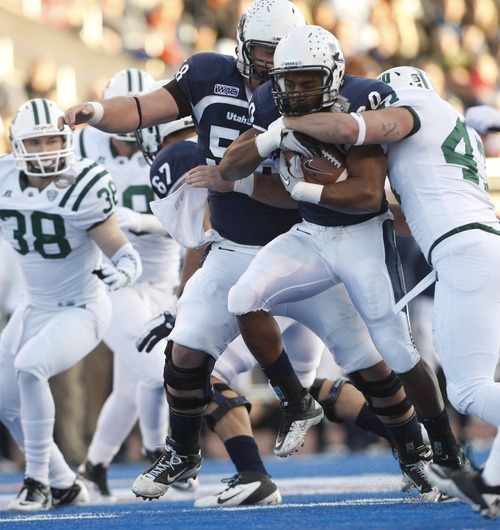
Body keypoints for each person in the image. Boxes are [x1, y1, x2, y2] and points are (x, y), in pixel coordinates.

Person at [59, 0, 434, 502]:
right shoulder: (210, 73)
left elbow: (307, 186)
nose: (269, 63)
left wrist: (234, 183)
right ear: (241, 45)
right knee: (186, 346)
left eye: (281, 53)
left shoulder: (309, 94)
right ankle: (183, 451)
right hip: (234, 246)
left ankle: (418, 455)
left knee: (367, 361)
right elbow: (149, 106)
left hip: (303, 246)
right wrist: (100, 113)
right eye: (262, 50)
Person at [219, 25, 467, 497]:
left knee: (397, 352)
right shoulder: (273, 102)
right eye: (288, 81)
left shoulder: (365, 98)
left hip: (363, 237)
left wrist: (305, 188)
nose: (295, 92)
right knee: (243, 296)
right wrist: (269, 140)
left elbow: (366, 193)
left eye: (307, 81)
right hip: (311, 234)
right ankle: (295, 399)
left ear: (332, 76)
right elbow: (231, 168)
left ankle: (443, 448)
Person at [271, 67, 500, 519]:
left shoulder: (418, 107)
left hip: (465, 254)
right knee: (476, 385)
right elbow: (413, 212)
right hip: (477, 245)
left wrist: (286, 124)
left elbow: (349, 127)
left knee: (469, 391)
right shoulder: (449, 131)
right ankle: (492, 484)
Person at [135, 130, 396, 507]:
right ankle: (419, 447)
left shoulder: (211, 162)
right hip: (307, 274)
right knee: (319, 383)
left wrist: (178, 308)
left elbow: (207, 240)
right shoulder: (258, 140)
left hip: (266, 286)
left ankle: (252, 473)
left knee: (205, 375)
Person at [0, 97, 142, 511]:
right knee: (7, 403)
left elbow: (121, 249)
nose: (46, 151)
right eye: (36, 143)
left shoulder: (84, 185)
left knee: (30, 367)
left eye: (52, 141)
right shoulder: (5, 178)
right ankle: (64, 484)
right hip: (33, 308)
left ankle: (37, 481)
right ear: (17, 147)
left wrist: (126, 269)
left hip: (81, 308)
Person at [72, 69, 188, 503]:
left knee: (130, 388)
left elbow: (195, 221)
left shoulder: (172, 145)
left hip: (162, 278)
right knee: (159, 372)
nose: (126, 131)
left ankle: (94, 467)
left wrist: (142, 222)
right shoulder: (82, 146)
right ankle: (162, 455)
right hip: (112, 280)